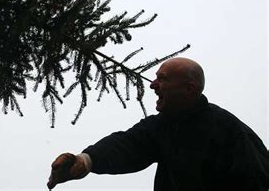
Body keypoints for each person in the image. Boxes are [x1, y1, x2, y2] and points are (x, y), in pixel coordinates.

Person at [46, 57, 269, 191]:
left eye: (162, 78)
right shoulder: (160, 127)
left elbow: (256, 179)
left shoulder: (227, 129)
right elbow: (127, 145)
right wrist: (85, 161)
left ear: (189, 89)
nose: (153, 85)